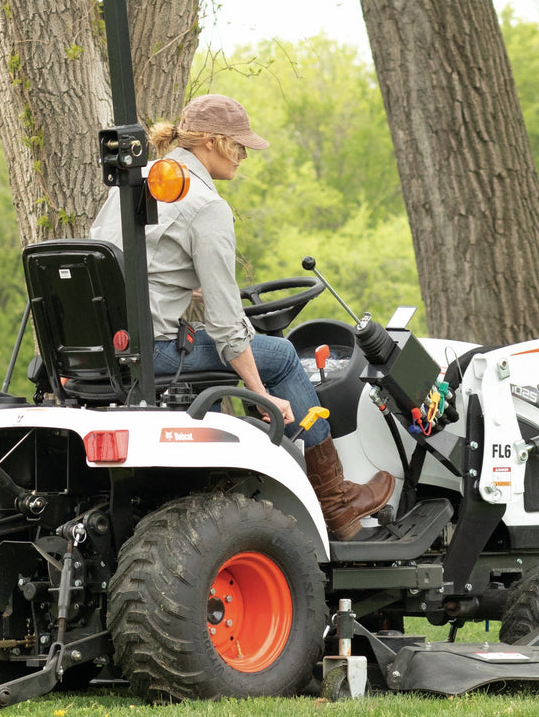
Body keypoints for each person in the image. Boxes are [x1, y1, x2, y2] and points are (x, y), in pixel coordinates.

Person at [90, 94, 393, 540]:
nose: (245, 155)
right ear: (212, 141)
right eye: (239, 145)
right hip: (154, 354)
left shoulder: (143, 182)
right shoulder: (205, 204)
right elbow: (230, 329)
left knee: (256, 347)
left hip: (108, 349)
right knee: (283, 356)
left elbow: (145, 266)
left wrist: (206, 291)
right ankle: (336, 502)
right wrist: (261, 393)